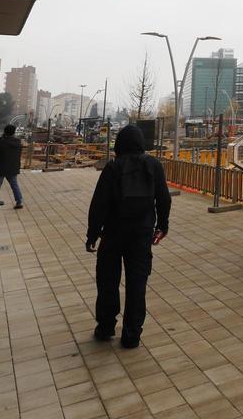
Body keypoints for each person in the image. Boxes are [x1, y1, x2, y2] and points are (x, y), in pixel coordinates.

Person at [86, 124, 170, 348]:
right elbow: (164, 199)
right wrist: (162, 226)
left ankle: (105, 327)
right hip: (141, 236)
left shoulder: (113, 168)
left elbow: (99, 204)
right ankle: (132, 334)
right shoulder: (154, 166)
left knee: (107, 282)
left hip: (113, 234)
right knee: (137, 284)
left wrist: (92, 234)